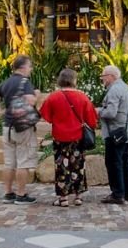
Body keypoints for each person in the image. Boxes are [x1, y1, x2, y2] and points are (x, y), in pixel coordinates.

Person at [38, 68, 98, 207]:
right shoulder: (82, 97)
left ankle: (63, 198)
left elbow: (46, 115)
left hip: (60, 137)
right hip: (78, 137)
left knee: (61, 167)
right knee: (78, 165)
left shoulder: (54, 96)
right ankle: (78, 196)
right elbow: (92, 120)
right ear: (74, 80)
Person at [0, 55, 39, 204]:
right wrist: (37, 95)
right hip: (22, 127)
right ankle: (21, 195)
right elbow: (31, 100)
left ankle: (8, 193)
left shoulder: (7, 82)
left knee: (9, 163)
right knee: (23, 162)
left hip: (7, 126)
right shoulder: (25, 82)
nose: (31, 69)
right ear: (22, 67)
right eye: (29, 66)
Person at [97, 64, 128, 205]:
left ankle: (117, 193)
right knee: (125, 162)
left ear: (110, 76)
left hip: (115, 132)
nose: (102, 79)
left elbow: (111, 113)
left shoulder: (114, 90)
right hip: (127, 131)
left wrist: (98, 111)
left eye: (103, 76)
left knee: (114, 162)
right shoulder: (127, 88)